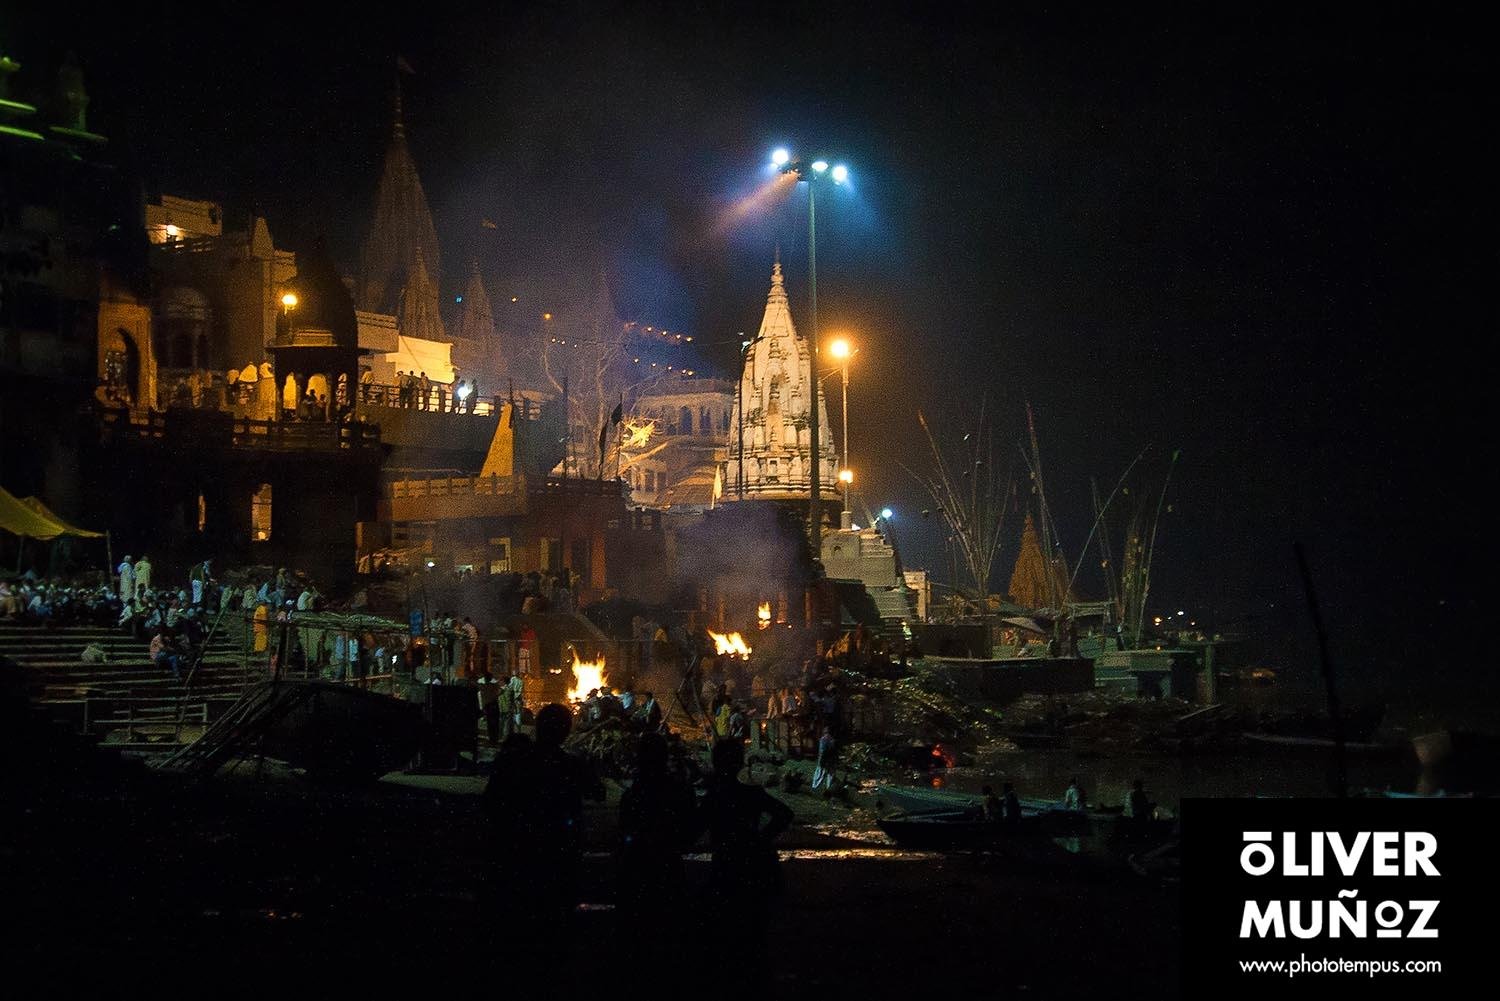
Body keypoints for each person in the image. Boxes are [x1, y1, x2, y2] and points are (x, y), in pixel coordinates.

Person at [697, 738, 792, 958]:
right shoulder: (751, 793)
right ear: (740, 763)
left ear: (716, 763)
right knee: (754, 930)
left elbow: (692, 831)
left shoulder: (715, 797)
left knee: (725, 928)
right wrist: (761, 839)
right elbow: (785, 814)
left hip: (726, 866)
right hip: (754, 868)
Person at [811, 726, 838, 792]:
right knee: (830, 775)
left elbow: (822, 751)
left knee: (820, 773)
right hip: (831, 760)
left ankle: (815, 786)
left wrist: (820, 760)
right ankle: (829, 788)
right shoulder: (833, 740)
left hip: (824, 759)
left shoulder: (823, 739)